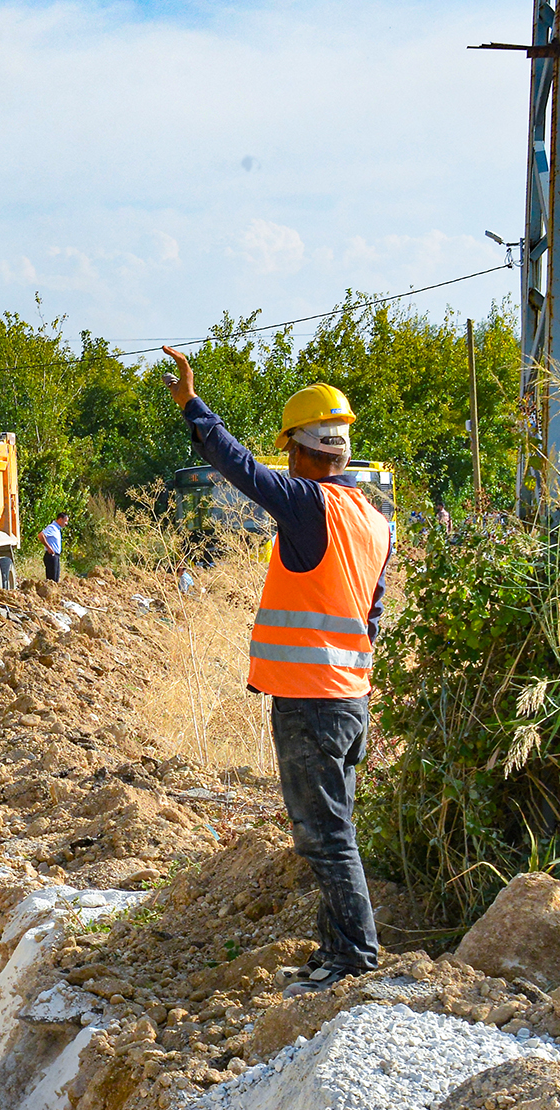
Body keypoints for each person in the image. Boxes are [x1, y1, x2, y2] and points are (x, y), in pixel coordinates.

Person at [162, 347, 390, 994]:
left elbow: (237, 467)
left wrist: (192, 407)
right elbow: (369, 618)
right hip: (350, 701)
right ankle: (335, 953)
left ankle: (353, 960)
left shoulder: (306, 504)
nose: (282, 460)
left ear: (299, 448)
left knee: (324, 838)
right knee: (334, 829)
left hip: (311, 702)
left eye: (286, 448)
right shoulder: (375, 522)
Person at [39, 511, 68, 581]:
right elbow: (41, 535)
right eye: (65, 521)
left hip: (56, 556)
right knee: (52, 579)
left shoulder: (57, 529)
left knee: (56, 579)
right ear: (60, 519)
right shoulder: (52, 528)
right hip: (51, 556)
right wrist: (48, 547)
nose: (66, 524)